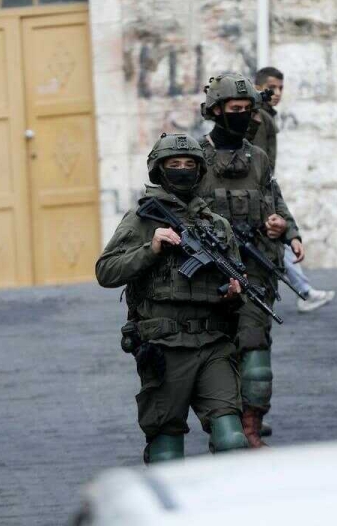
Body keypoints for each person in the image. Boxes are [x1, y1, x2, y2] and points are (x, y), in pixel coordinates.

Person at [95, 133, 249, 462]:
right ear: (159, 170)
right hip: (165, 347)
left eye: (189, 164)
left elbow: (236, 288)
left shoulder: (217, 225)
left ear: (200, 170)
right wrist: (150, 249)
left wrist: (234, 294)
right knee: (166, 453)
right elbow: (106, 272)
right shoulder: (143, 219)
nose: (182, 170)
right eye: (174, 164)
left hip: (214, 344)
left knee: (233, 442)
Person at [196, 72, 305, 447]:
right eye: (235, 108)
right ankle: (223, 427)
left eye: (247, 109)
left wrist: (287, 230)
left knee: (256, 354)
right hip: (208, 275)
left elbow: (274, 201)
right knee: (215, 357)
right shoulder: (195, 158)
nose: (242, 115)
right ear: (216, 110)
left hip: (255, 270)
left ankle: (251, 429)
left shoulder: (257, 159)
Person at [251, 66, 335, 314]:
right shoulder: (259, 117)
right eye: (271, 88)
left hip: (262, 188)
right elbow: (256, 160)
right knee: (275, 238)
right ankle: (304, 292)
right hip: (258, 190)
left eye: (280, 88)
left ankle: (305, 291)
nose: (277, 93)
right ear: (257, 88)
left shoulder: (265, 115)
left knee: (277, 239)